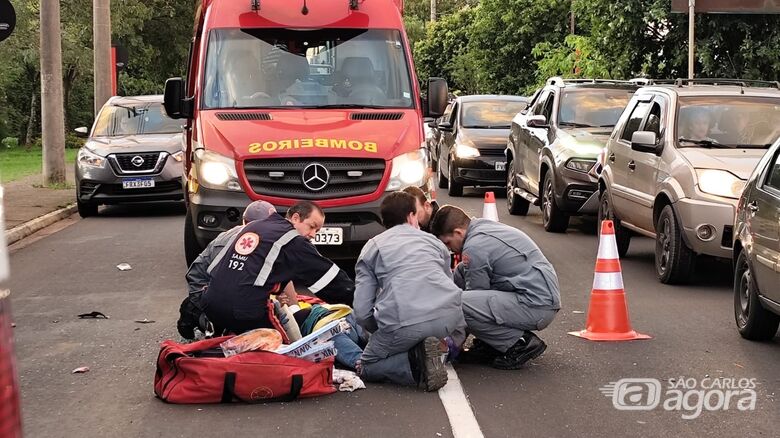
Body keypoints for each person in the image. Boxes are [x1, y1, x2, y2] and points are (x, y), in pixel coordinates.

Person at [354, 191, 466, 391]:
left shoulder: (372, 248)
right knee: (415, 335)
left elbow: (362, 312)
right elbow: (446, 283)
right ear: (411, 216)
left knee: (366, 366)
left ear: (383, 220)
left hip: (403, 322)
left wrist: (379, 331)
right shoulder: (435, 243)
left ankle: (416, 364)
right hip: (447, 319)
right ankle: (431, 351)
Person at [430, 205, 561, 370]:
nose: (449, 249)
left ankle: (519, 343)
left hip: (537, 305)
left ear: (458, 233)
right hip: (535, 296)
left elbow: (472, 299)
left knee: (459, 303)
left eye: (448, 243)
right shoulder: (482, 228)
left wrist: (453, 343)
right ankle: (490, 344)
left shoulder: (475, 247)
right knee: (461, 272)